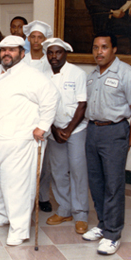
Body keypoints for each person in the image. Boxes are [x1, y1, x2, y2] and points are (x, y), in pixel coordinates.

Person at [0, 35, 59, 246]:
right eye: (3, 50)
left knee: (16, 185)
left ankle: (19, 229)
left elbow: (51, 98)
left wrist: (43, 126)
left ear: (22, 53)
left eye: (11, 50)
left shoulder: (32, 76)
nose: (6, 53)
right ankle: (2, 214)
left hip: (18, 141)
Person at [83, 32, 131, 255]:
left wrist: (126, 144)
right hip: (93, 131)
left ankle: (113, 234)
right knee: (97, 183)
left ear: (114, 49)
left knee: (113, 185)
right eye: (95, 47)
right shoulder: (91, 76)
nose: (98, 52)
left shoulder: (127, 74)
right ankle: (103, 224)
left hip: (115, 132)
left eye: (104, 47)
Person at [41, 38, 89, 235]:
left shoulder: (77, 73)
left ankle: (81, 214)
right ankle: (64, 209)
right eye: (50, 53)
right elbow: (43, 105)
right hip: (54, 130)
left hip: (76, 130)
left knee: (77, 170)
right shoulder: (42, 75)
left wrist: (68, 129)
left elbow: (82, 104)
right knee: (58, 171)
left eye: (58, 52)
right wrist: (53, 128)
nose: (54, 56)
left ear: (65, 54)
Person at [23, 20, 55, 212]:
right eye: (33, 37)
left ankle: (42, 197)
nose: (36, 41)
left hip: (43, 117)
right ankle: (27, 198)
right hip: (24, 116)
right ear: (28, 39)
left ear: (44, 40)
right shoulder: (22, 59)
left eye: (40, 37)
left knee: (44, 163)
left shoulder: (49, 62)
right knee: (25, 162)